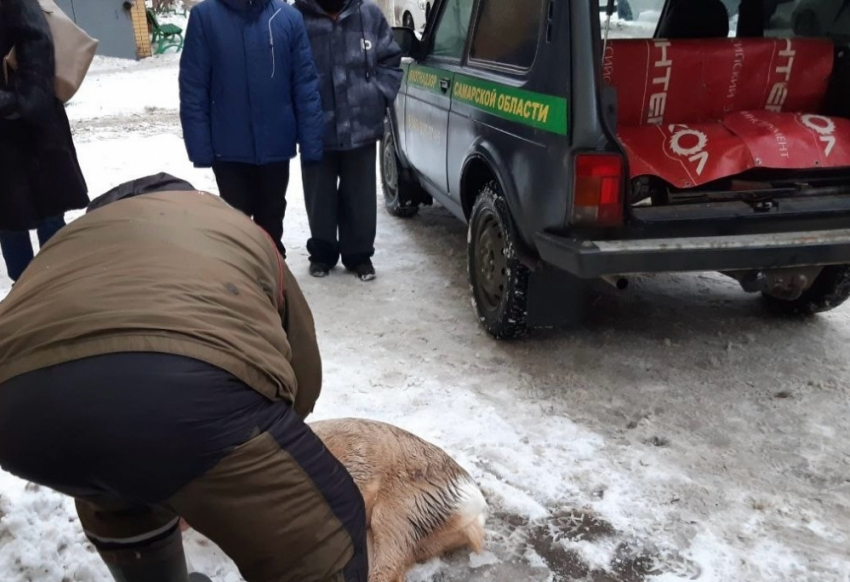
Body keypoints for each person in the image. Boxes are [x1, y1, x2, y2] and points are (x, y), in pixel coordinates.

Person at [0, 175, 367, 582]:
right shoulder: (232, 226)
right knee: (328, 535)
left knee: (115, 481)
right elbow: (303, 370)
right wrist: (254, 446)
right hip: (187, 394)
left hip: (16, 409)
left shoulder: (69, 240)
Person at [179, 0, 324, 259]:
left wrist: (311, 140)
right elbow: (194, 86)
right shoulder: (205, 17)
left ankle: (274, 286)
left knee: (271, 224)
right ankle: (243, 289)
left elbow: (305, 84)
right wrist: (200, 147)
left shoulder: (287, 18)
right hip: (228, 148)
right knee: (237, 231)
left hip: (275, 145)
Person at [295, 0, 403, 281]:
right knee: (319, 197)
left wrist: (377, 95)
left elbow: (390, 59)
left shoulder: (369, 15)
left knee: (360, 197)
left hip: (361, 126)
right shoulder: (297, 18)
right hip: (315, 127)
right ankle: (322, 254)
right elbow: (285, 69)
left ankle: (359, 256)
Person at [0, 0, 89, 282]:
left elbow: (36, 93)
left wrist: (11, 101)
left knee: (49, 226)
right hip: (7, 150)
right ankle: (25, 299)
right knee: (10, 227)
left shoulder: (18, 5)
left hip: (36, 141)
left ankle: (57, 298)